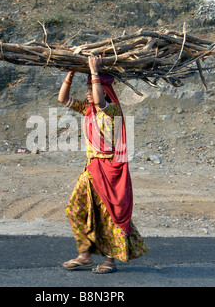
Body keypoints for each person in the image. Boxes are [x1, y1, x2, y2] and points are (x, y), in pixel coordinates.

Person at [58, 55, 148, 274]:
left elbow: (99, 101)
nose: (88, 92)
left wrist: (94, 72)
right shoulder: (87, 109)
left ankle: (110, 260)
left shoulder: (112, 110)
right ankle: (85, 254)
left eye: (92, 87)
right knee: (74, 209)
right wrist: (70, 73)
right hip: (91, 169)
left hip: (109, 170)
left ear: (105, 89)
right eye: (88, 87)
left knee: (110, 214)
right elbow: (62, 99)